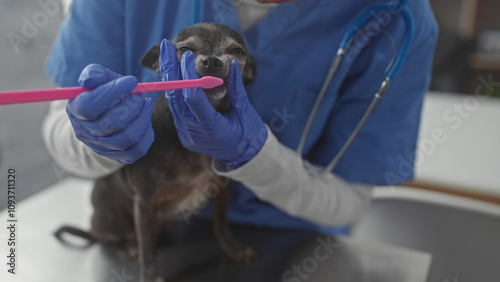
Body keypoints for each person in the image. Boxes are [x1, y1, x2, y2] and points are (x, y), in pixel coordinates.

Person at [42, 0, 438, 235]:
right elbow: (59, 126)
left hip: (288, 244)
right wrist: (98, 142)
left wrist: (258, 158)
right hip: (152, 226)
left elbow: (351, 202)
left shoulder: (396, 19)